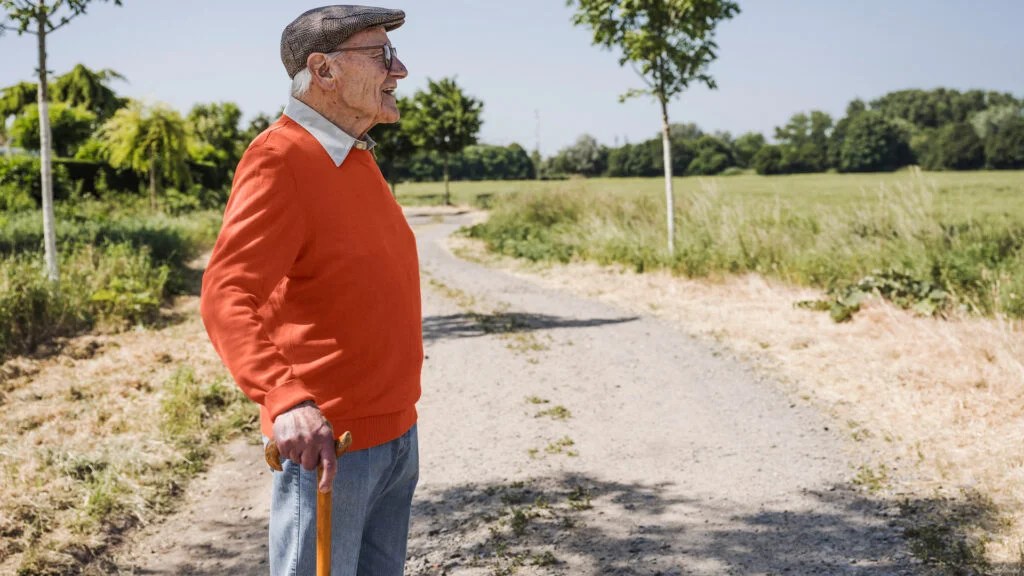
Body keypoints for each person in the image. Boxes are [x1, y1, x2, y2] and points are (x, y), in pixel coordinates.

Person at [198, 5, 420, 575]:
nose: (400, 70)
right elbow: (227, 292)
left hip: (395, 434)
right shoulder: (281, 157)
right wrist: (284, 397)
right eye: (382, 57)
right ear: (324, 71)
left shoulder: (355, 156)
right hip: (331, 445)